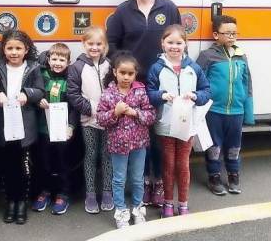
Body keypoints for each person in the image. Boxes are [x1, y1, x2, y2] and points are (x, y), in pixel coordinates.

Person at [106, 0, 181, 207]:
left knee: (159, 137)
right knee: (141, 138)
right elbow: (112, 44)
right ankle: (144, 183)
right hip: (134, 85)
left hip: (161, 83)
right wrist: (123, 66)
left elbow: (177, 38)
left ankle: (158, 183)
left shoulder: (168, 7)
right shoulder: (122, 11)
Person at [147, 25, 211, 217]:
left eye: (179, 43)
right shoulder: (156, 68)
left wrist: (195, 96)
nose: (174, 46)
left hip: (187, 125)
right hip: (165, 125)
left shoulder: (194, 67)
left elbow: (207, 91)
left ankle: (183, 203)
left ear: (186, 44)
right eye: (170, 42)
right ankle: (167, 203)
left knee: (182, 164)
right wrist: (161, 95)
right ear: (162, 43)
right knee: (168, 164)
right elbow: (149, 93)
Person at [0, 30, 45, 225]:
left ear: (26, 49)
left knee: (23, 167)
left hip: (25, 126)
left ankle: (21, 203)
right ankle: (10, 202)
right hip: (5, 124)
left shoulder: (34, 68)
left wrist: (27, 94)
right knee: (8, 166)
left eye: (18, 48)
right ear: (3, 49)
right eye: (9, 48)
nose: (14, 52)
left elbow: (40, 90)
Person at [196, 15, 254, 196]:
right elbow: (198, 81)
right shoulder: (207, 56)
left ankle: (233, 175)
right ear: (215, 34)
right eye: (227, 33)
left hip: (236, 110)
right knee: (214, 146)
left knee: (234, 146)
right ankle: (214, 176)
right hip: (214, 110)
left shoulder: (241, 55)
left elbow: (247, 83)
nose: (231, 36)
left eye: (234, 33)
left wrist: (248, 111)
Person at [97, 52, 155, 229]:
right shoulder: (108, 94)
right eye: (122, 72)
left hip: (139, 143)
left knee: (137, 179)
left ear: (135, 73)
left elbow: (151, 115)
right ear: (115, 72)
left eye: (130, 73)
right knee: (119, 179)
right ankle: (121, 212)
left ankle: (138, 209)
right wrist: (115, 112)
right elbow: (100, 118)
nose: (126, 77)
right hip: (117, 144)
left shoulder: (141, 91)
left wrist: (135, 112)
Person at [67, 26, 113, 214]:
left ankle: (107, 191)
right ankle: (91, 194)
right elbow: (73, 94)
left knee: (107, 156)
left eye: (98, 44)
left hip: (109, 121)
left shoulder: (110, 65)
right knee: (91, 155)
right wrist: (92, 110)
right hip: (88, 121)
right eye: (90, 44)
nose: (94, 47)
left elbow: (115, 90)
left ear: (104, 45)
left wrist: (109, 111)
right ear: (83, 44)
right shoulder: (77, 67)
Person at [32, 43, 76, 215]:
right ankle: (45, 191)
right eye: (54, 59)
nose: (58, 63)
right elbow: (33, 93)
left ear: (68, 61)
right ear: (48, 60)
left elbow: (74, 107)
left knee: (62, 163)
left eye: (62, 59)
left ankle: (63, 193)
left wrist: (71, 126)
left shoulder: (70, 79)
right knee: (43, 162)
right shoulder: (41, 75)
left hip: (63, 131)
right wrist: (38, 100)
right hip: (43, 129)